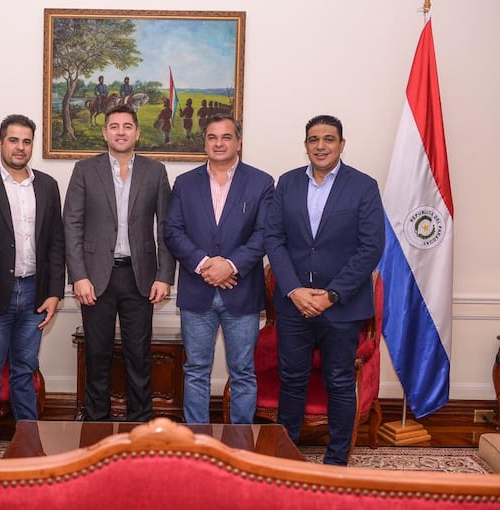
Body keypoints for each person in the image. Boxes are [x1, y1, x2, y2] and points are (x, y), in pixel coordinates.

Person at [264, 114, 385, 466]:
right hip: (293, 306)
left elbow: (371, 247)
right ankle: (286, 460)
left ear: (341, 144)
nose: (321, 146)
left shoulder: (363, 186)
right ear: (305, 145)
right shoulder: (286, 184)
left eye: (329, 139)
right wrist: (294, 291)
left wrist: (331, 295)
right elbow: (275, 239)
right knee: (292, 379)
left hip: (341, 307)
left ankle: (336, 463)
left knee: (339, 381)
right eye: (314, 139)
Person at [0, 114, 65, 460]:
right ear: (0, 143)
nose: (20, 147)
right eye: (13, 140)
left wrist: (54, 293)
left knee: (25, 370)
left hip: (35, 293)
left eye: (26, 141)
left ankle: (28, 440)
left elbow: (55, 242)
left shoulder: (48, 185)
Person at [63, 104, 175, 422]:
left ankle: (141, 424)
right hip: (96, 279)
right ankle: (95, 425)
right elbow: (71, 225)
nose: (121, 131)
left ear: (137, 133)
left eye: (127, 126)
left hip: (140, 278)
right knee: (96, 355)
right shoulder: (85, 170)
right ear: (105, 132)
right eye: (114, 126)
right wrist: (78, 276)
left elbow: (166, 227)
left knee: (138, 356)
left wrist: (165, 275)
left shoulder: (155, 172)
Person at [164, 113, 274, 424]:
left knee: (243, 372)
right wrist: (204, 265)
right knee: (196, 370)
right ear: (205, 143)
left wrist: (230, 265)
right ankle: (197, 443)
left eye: (226, 137)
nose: (219, 143)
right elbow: (173, 231)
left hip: (241, 292)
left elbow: (265, 233)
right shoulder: (185, 184)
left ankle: (240, 442)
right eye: (212, 137)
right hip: (197, 292)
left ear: (238, 142)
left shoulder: (261, 182)